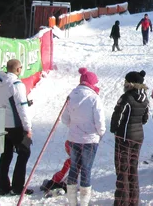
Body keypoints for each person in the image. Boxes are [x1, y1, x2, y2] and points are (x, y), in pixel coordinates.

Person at [62, 68, 106, 206]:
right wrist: (101, 132)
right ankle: (84, 202)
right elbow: (99, 120)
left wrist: (74, 126)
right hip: (90, 140)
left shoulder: (71, 95)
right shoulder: (94, 98)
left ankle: (72, 202)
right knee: (86, 169)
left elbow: (64, 118)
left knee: (74, 167)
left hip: (74, 138)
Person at [0, 59, 33, 196]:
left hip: (2, 124)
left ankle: (4, 186)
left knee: (6, 155)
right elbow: (22, 108)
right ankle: (17, 186)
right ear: (17, 69)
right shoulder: (17, 84)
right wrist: (28, 128)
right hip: (16, 126)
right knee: (24, 153)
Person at [110, 70, 149, 206]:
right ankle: (133, 200)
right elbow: (145, 119)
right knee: (132, 168)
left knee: (122, 169)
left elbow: (117, 116)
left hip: (125, 137)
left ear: (130, 84)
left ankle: (122, 202)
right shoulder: (145, 98)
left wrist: (114, 129)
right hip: (138, 137)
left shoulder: (126, 98)